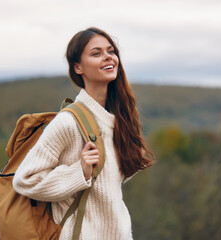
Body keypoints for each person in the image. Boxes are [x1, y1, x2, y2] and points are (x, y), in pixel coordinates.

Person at [12, 27, 154, 240]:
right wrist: (80, 172)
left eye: (111, 51)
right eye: (96, 53)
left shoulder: (119, 120)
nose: (108, 57)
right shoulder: (68, 122)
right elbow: (25, 180)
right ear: (78, 67)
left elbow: (110, 186)